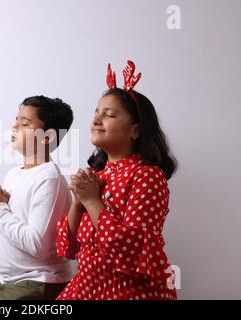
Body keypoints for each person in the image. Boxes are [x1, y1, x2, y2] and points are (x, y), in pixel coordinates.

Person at [57, 61, 178, 300]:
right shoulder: (97, 176)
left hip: (129, 290)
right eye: (96, 113)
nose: (96, 120)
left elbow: (131, 251)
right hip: (87, 287)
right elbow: (67, 249)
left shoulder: (147, 176)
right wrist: (78, 201)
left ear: (135, 130)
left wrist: (92, 200)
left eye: (109, 114)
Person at [0, 95, 74, 300]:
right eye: (16, 120)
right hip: (4, 277)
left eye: (24, 123)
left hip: (37, 279)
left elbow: (36, 245)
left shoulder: (49, 178)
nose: (14, 127)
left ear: (47, 137)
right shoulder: (13, 174)